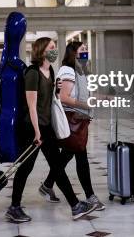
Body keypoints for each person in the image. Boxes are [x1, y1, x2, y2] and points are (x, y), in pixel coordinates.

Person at [5, 37, 96, 223]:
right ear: (42, 51)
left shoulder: (51, 71)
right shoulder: (32, 73)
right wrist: (37, 133)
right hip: (32, 128)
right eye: (52, 48)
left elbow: (49, 100)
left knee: (57, 167)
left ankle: (75, 206)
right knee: (25, 168)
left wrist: (56, 90)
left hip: (46, 127)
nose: (55, 50)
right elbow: (31, 106)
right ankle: (14, 207)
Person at [40, 41, 105, 211]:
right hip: (71, 120)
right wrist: (87, 105)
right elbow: (64, 97)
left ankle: (47, 185)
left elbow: (85, 94)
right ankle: (90, 197)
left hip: (78, 119)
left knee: (68, 154)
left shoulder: (80, 71)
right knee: (80, 155)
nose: (86, 52)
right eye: (82, 50)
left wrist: (102, 97)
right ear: (73, 53)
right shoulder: (68, 70)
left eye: (86, 49)